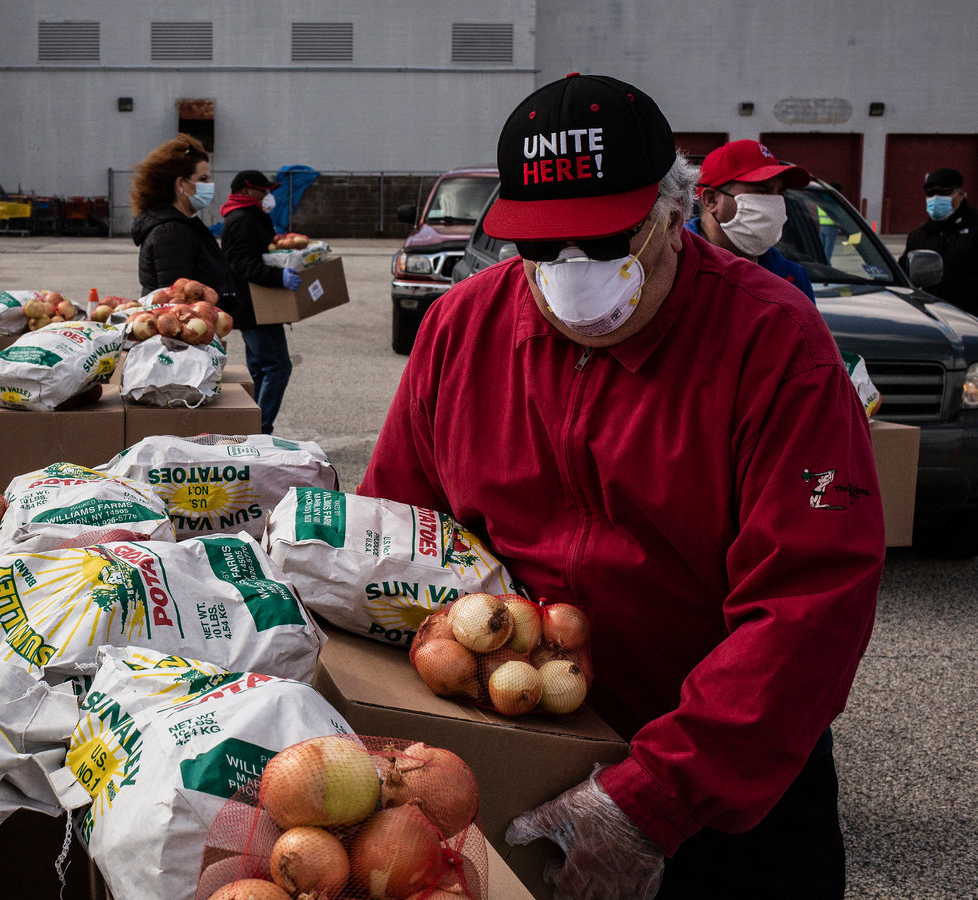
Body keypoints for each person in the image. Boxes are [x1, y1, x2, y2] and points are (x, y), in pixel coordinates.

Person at [360, 74, 882, 899]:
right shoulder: (463, 329)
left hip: (721, 784)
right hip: (514, 744)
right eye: (542, 247)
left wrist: (655, 800)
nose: (571, 271)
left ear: (674, 213)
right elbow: (389, 534)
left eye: (604, 241)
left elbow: (809, 605)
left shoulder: (776, 347)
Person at [130, 134, 248, 330]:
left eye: (209, 178)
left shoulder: (185, 225)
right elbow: (176, 301)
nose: (209, 185)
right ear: (181, 184)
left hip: (200, 329)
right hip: (184, 335)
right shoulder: (171, 233)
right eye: (202, 179)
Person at [220, 169, 299, 434]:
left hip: (258, 306)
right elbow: (242, 264)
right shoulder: (241, 219)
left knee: (259, 369)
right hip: (254, 307)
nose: (266, 195)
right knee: (278, 367)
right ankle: (259, 430)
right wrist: (278, 277)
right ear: (245, 191)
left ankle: (251, 427)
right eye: (262, 190)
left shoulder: (251, 216)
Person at [690, 139, 815, 302]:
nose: (775, 203)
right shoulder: (673, 266)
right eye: (762, 191)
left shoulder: (793, 278)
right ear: (711, 200)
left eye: (780, 193)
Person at [903, 167, 978, 314]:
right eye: (930, 194)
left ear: (960, 194)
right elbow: (904, 274)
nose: (936, 198)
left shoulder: (974, 228)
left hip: (970, 315)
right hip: (934, 314)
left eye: (944, 193)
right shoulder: (919, 236)